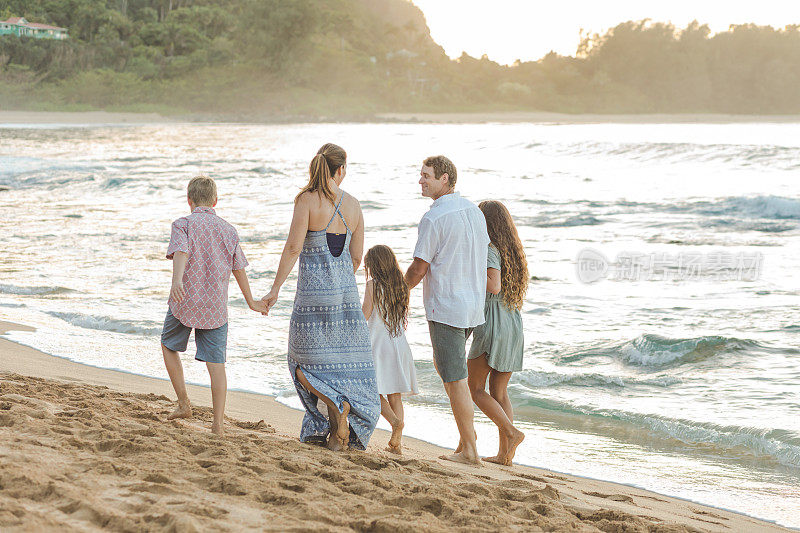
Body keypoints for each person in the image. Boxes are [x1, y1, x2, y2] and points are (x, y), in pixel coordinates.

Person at [262, 143, 379, 451]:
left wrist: (275, 289)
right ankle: (340, 428)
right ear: (340, 170)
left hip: (312, 297)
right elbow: (356, 259)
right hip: (345, 298)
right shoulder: (353, 205)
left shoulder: (307, 200)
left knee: (300, 363)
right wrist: (339, 280)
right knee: (339, 364)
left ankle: (334, 407)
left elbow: (292, 248)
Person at [160, 175, 266, 436]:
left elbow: (182, 251)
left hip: (184, 300)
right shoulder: (229, 230)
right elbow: (239, 268)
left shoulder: (182, 224)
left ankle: (184, 402)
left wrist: (177, 281)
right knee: (216, 365)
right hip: (215, 307)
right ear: (215, 201)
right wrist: (251, 301)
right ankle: (217, 426)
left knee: (168, 344)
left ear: (189, 200)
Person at [405, 155, 490, 465]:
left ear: (445, 178)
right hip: (472, 307)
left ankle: (470, 451)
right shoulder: (474, 212)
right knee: (450, 371)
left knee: (453, 378)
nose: (421, 180)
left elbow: (418, 268)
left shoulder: (434, 219)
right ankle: (467, 440)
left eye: (426, 175)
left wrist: (398, 293)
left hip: (447, 308)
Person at [468, 200, 528, 466]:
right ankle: (505, 455)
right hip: (512, 322)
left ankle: (511, 433)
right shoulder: (514, 251)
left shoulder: (490, 249)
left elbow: (492, 285)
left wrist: (467, 272)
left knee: (475, 389)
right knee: (500, 392)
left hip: (492, 322)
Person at [362, 245, 419, 454]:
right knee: (395, 395)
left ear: (374, 265)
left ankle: (395, 422)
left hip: (378, 343)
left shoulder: (372, 285)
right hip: (399, 345)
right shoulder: (402, 285)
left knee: (371, 389)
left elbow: (365, 315)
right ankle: (397, 444)